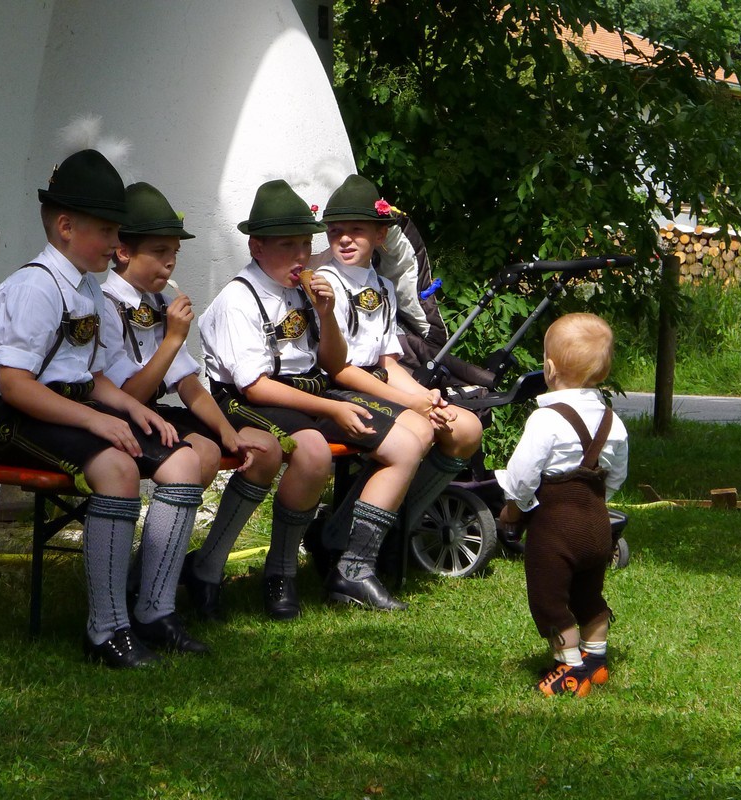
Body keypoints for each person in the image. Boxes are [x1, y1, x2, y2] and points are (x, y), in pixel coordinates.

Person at [0, 150, 209, 669]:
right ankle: (106, 630)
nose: (116, 243)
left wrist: (131, 409)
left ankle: (154, 610)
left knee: (184, 460)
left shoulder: (89, 289)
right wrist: (98, 419)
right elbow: (14, 386)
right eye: (106, 231)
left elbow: (93, 378)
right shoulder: (36, 286)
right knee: (118, 467)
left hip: (66, 407)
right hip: (7, 419)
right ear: (66, 227)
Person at [199, 179, 433, 616]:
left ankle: (353, 569)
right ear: (256, 248)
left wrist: (326, 314)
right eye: (288, 246)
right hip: (248, 402)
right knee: (313, 453)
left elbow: (333, 362)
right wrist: (333, 408)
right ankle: (279, 571)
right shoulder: (238, 299)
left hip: (307, 391)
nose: (302, 256)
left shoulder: (303, 291)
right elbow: (254, 386)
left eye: (306, 244)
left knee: (406, 445)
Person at [100, 181, 280, 622]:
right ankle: (146, 583)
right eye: (159, 251)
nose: (170, 262)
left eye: (175, 252)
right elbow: (127, 397)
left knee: (264, 449)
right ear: (123, 252)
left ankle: (203, 567)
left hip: (152, 412)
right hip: (112, 415)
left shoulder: (162, 299)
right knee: (200, 455)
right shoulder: (103, 304)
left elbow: (188, 384)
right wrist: (173, 338)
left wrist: (227, 431)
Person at [312, 175, 484, 562]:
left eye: (357, 230)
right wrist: (410, 404)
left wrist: (425, 397)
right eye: (335, 231)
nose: (344, 239)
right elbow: (339, 370)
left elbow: (388, 362)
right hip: (338, 389)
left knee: (467, 429)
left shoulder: (384, 288)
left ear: (380, 235)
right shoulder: (325, 284)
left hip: (375, 385)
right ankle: (347, 544)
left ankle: (393, 524)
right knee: (419, 431)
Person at [495, 313, 628, 696]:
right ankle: (596, 661)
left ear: (549, 368)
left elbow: (523, 475)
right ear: (603, 372)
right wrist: (597, 503)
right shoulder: (612, 421)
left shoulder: (545, 419)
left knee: (550, 599)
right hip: (597, 525)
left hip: (555, 529)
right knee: (588, 594)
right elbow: (617, 475)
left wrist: (515, 508)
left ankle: (570, 669)